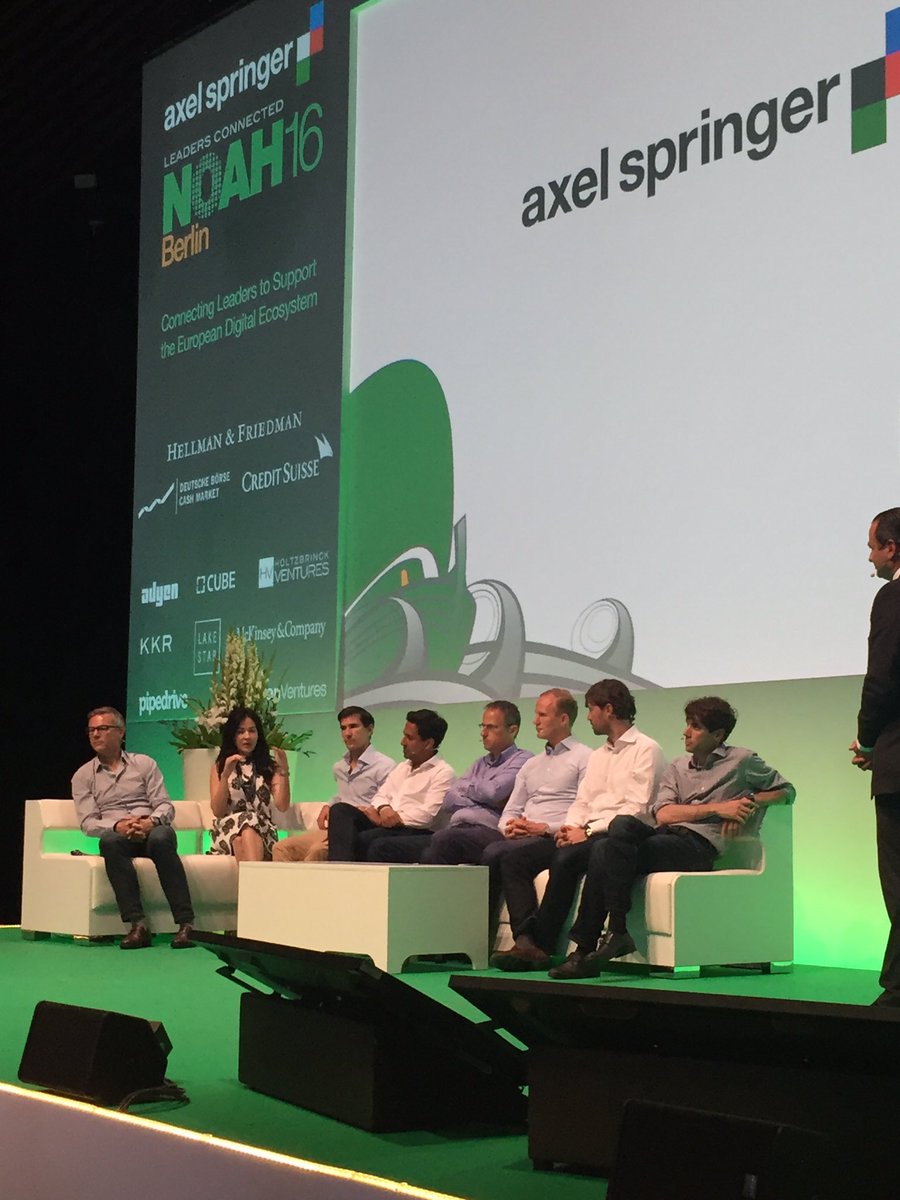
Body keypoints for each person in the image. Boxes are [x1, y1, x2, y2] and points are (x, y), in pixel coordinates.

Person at [550, 696, 795, 980]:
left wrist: (749, 801)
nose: (686, 732)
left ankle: (587, 948)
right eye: (687, 724)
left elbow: (787, 791)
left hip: (697, 846)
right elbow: (664, 814)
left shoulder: (741, 761)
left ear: (718, 735)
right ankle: (615, 931)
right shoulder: (678, 766)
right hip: (665, 835)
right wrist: (719, 808)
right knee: (619, 827)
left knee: (603, 851)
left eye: (696, 727)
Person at [491, 679, 665, 970]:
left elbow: (638, 808)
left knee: (576, 856)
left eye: (591, 709)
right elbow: (582, 801)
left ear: (608, 709)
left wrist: (586, 831)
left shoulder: (646, 749)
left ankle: (556, 946)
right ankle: (538, 946)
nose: (587, 717)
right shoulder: (599, 755)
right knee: (559, 856)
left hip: (623, 835)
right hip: (589, 831)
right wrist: (567, 829)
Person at [72, 706, 195, 949]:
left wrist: (150, 822)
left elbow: (164, 805)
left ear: (121, 732)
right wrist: (118, 825)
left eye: (102, 728)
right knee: (109, 842)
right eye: (91, 730)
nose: (95, 734)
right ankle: (138, 925)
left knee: (162, 837)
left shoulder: (144, 764)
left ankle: (186, 924)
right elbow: (88, 823)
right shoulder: (83, 776)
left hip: (151, 829)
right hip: (119, 836)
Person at [482, 688, 593, 932]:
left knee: (502, 854)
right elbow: (511, 810)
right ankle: (479, 934)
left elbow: (585, 809)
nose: (535, 721)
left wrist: (543, 828)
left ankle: (522, 937)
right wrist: (510, 828)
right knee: (490, 850)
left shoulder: (586, 757)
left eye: (542, 715)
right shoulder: (532, 764)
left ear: (563, 719)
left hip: (554, 837)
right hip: (523, 836)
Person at [368, 701, 532, 863]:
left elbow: (493, 792)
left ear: (512, 730)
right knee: (384, 843)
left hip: (488, 829)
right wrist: (482, 797)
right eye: (482, 726)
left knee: (439, 841)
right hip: (457, 828)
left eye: (491, 727)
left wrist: (468, 790)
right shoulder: (479, 763)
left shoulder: (522, 759)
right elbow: (449, 800)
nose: (483, 733)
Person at [850, 507, 900, 1008]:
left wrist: (867, 742)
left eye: (872, 547)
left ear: (892, 548)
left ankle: (898, 991)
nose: (869, 558)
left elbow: (881, 680)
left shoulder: (892, 598)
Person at [327, 709, 455, 861]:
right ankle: (340, 868)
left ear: (428, 743)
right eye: (404, 735)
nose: (402, 742)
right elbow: (380, 796)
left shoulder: (443, 772)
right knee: (340, 810)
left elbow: (427, 816)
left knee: (372, 843)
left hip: (418, 832)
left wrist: (393, 819)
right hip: (389, 825)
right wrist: (384, 809)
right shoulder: (402, 767)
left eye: (409, 738)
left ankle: (351, 872)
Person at [272, 707, 395, 862]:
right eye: (343, 728)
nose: (347, 733)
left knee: (317, 852)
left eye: (353, 727)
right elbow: (344, 794)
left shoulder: (384, 765)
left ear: (369, 729)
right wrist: (329, 805)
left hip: (362, 828)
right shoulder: (340, 766)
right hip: (336, 826)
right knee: (281, 848)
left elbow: (387, 800)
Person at [208, 707, 290, 861]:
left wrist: (284, 770)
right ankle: (256, 876)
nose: (247, 736)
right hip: (228, 830)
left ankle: (249, 877)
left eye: (252, 731)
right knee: (245, 825)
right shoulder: (220, 766)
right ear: (232, 735)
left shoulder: (268, 766)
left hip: (263, 830)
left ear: (258, 734)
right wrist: (225, 776)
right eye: (241, 732)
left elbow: (282, 805)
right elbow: (218, 811)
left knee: (241, 840)